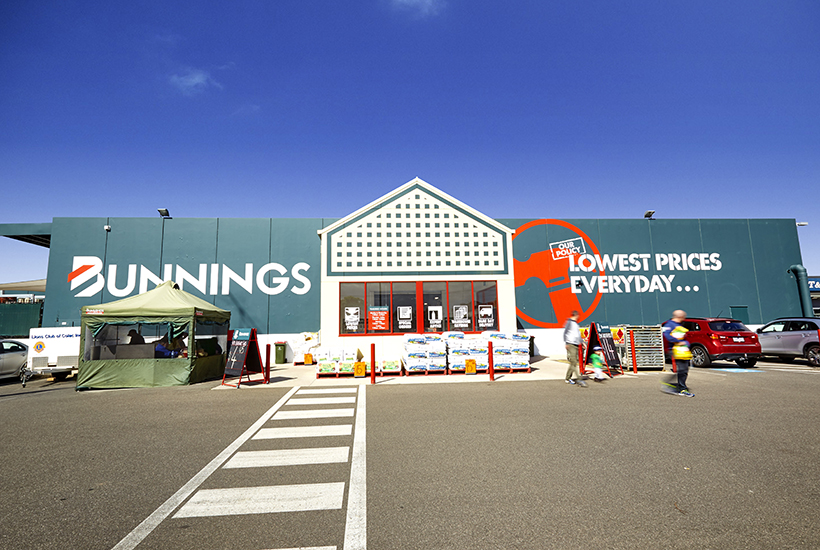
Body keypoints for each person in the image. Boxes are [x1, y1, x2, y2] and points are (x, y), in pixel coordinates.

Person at [662, 309, 694, 397]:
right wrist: (677, 341)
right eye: (683, 317)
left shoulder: (679, 325)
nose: (684, 319)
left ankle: (672, 384)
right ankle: (681, 388)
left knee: (683, 369)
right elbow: (667, 335)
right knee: (682, 369)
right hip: (675, 349)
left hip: (682, 349)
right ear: (680, 316)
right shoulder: (669, 324)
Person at [563, 310, 587, 387]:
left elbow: (578, 335)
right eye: (578, 316)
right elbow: (565, 333)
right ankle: (579, 379)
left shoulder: (576, 324)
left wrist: (582, 342)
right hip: (571, 344)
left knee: (573, 362)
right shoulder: (569, 323)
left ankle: (567, 378)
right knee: (574, 361)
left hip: (576, 344)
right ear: (575, 315)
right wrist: (566, 343)